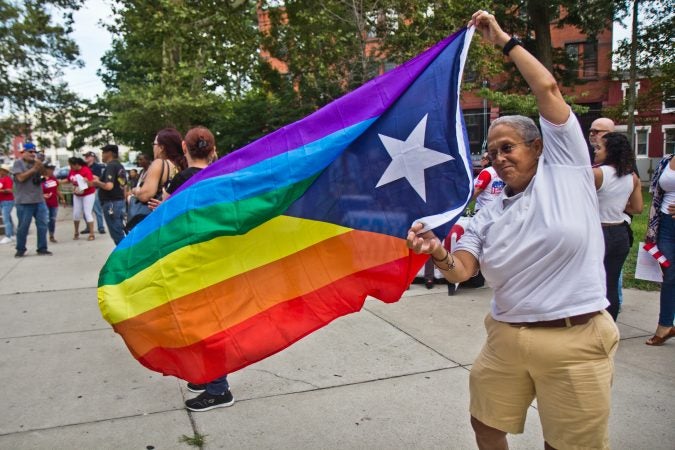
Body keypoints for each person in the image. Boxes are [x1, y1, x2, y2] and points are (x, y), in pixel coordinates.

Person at [407, 11, 618, 449]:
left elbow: (547, 89)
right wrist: (437, 253)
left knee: (568, 445)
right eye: (491, 151)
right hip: (506, 337)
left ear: (539, 146)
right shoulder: (486, 212)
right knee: (485, 426)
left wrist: (503, 40)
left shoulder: (567, 170)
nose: (499, 157)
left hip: (575, 337)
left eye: (508, 147)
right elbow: (462, 271)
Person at [148, 127, 232, 412]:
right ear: (212, 148)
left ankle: (219, 389)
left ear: (184, 147)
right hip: (214, 255)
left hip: (194, 258)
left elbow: (168, 216)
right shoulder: (221, 174)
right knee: (204, 319)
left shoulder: (182, 179)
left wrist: (160, 208)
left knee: (203, 322)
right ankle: (207, 377)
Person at [592, 132, 643, 320]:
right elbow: (637, 208)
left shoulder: (597, 174)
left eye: (599, 148)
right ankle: (609, 328)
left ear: (611, 151)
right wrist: (618, 205)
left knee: (591, 283)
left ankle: (589, 329)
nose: (595, 151)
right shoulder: (632, 177)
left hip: (598, 233)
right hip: (620, 233)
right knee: (611, 284)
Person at [644, 152, 675, 345]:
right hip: (665, 225)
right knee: (669, 274)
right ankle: (665, 326)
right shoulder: (666, 159)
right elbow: (655, 193)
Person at [12, 142, 51, 257]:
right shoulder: (18, 163)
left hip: (39, 199)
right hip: (24, 201)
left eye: (34, 152)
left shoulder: (37, 163)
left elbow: (45, 175)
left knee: (43, 225)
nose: (32, 154)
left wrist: (41, 165)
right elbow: (21, 178)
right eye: (30, 152)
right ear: (23, 152)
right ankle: (20, 248)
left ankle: (42, 248)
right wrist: (34, 169)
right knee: (23, 227)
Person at [92, 144, 128, 245]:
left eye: (103, 152)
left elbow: (109, 186)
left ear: (109, 153)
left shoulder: (111, 166)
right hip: (119, 202)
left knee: (117, 234)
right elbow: (124, 185)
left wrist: (97, 182)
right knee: (120, 230)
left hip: (111, 203)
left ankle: (124, 257)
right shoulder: (119, 165)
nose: (102, 155)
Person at [64, 156, 96, 241]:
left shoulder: (86, 170)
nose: (70, 167)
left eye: (71, 165)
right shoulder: (72, 171)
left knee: (87, 213)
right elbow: (68, 180)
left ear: (77, 164)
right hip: (77, 194)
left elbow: (91, 183)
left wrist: (86, 181)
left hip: (88, 194)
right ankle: (76, 232)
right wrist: (58, 182)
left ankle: (92, 233)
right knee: (76, 214)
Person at [82, 151, 107, 235]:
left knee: (97, 209)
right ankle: (88, 227)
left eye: (88, 156)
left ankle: (101, 227)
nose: (86, 158)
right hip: (85, 188)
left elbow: (98, 178)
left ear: (92, 157)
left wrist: (88, 177)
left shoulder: (97, 167)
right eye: (85, 156)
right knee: (86, 210)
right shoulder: (83, 166)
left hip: (95, 189)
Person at [41, 164, 65, 243]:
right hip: (44, 203)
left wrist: (62, 198)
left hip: (53, 202)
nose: (51, 171)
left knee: (52, 219)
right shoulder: (41, 179)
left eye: (52, 170)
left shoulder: (54, 179)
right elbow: (35, 191)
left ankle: (51, 235)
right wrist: (43, 195)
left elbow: (57, 190)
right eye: (50, 169)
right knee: (45, 219)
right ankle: (43, 236)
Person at [0, 164, 15, 244]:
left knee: (6, 218)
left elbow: (10, 190)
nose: (1, 171)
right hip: (2, 201)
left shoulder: (7, 179)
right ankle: (12, 235)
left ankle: (8, 236)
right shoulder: (1, 179)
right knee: (8, 218)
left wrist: (1, 191)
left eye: (3, 170)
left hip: (7, 201)